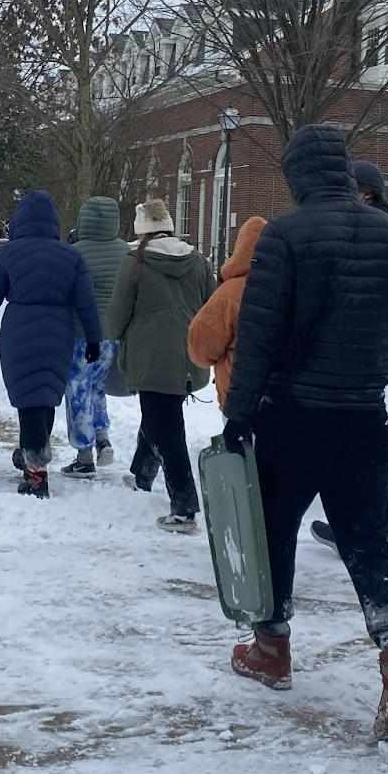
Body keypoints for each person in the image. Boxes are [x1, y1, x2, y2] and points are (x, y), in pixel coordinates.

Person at [220, 124, 388, 740]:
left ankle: (270, 649)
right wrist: (376, 368)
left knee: (274, 533)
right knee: (369, 540)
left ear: (296, 176)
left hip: (289, 413)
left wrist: (238, 414)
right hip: (363, 415)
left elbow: (258, 335)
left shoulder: (284, 235)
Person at [311, 159, 388, 580]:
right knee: (364, 456)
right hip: (386, 363)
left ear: (363, 193)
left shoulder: (363, 233)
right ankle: (356, 531)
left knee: (363, 458)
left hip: (365, 366)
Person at [0, 190, 102, 498]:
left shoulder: (9, 254)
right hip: (58, 330)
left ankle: (35, 476)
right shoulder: (71, 256)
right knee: (45, 396)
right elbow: (86, 302)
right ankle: (33, 453)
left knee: (28, 398)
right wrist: (93, 337)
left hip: (19, 329)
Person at [106, 200, 215, 532]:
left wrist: (115, 335)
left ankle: (184, 508)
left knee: (167, 429)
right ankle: (141, 476)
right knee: (159, 415)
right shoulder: (197, 261)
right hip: (187, 357)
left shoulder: (136, 261)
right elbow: (211, 304)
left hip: (150, 357)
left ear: (142, 231)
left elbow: (116, 315)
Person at [60, 196, 129, 475]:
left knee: (78, 388)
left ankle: (84, 454)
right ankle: (103, 438)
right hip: (111, 336)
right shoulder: (127, 252)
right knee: (97, 387)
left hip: (80, 334)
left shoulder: (74, 253)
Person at [186, 215, 268, 411]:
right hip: (286, 399)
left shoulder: (229, 294)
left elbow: (201, 348)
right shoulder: (292, 287)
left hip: (238, 395)